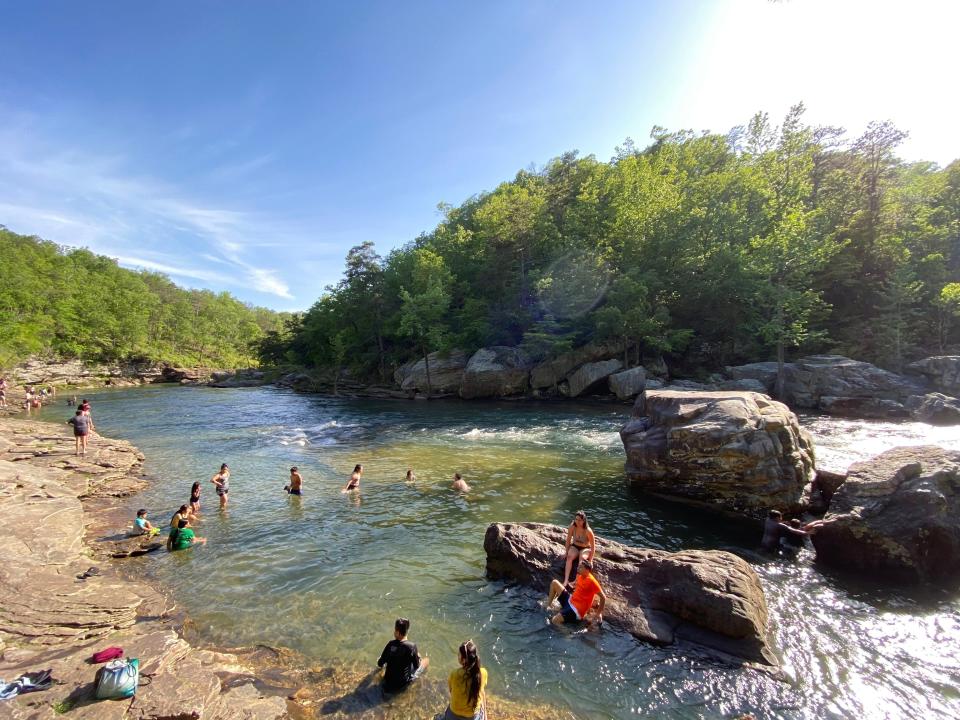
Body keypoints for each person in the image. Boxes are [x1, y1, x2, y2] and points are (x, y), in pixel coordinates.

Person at [545, 559, 606, 628]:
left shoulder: (592, 581)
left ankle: (568, 635)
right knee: (554, 582)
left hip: (576, 610)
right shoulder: (580, 576)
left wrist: (598, 613)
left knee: (554, 621)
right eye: (578, 566)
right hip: (570, 600)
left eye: (580, 567)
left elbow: (603, 597)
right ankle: (548, 606)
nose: (578, 568)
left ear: (587, 570)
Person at [376, 617, 429, 694]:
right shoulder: (412, 646)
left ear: (397, 632)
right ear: (407, 631)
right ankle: (424, 679)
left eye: (395, 630)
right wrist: (418, 657)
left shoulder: (390, 644)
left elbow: (379, 663)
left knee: (384, 658)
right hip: (402, 684)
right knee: (426, 660)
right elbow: (416, 666)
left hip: (387, 681)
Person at [444, 640, 487, 720]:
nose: (457, 655)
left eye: (459, 654)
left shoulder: (455, 674)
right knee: (482, 695)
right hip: (472, 716)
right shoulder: (483, 673)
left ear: (464, 660)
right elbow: (481, 691)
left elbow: (451, 690)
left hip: (454, 714)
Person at [562, 510, 596, 587]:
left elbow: (593, 546)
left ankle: (575, 581)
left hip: (585, 548)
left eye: (579, 520)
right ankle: (566, 580)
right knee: (569, 557)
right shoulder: (572, 527)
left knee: (582, 560)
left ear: (584, 520)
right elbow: (568, 540)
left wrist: (590, 560)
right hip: (575, 546)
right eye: (576, 519)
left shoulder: (588, 530)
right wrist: (566, 552)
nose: (577, 521)